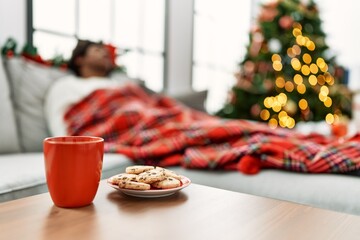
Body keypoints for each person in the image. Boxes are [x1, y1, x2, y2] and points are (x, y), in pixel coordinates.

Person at [45, 40, 126, 136]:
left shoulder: (117, 85)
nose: (105, 53)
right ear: (79, 59)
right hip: (100, 135)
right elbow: (59, 123)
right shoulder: (66, 85)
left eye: (107, 52)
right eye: (97, 50)